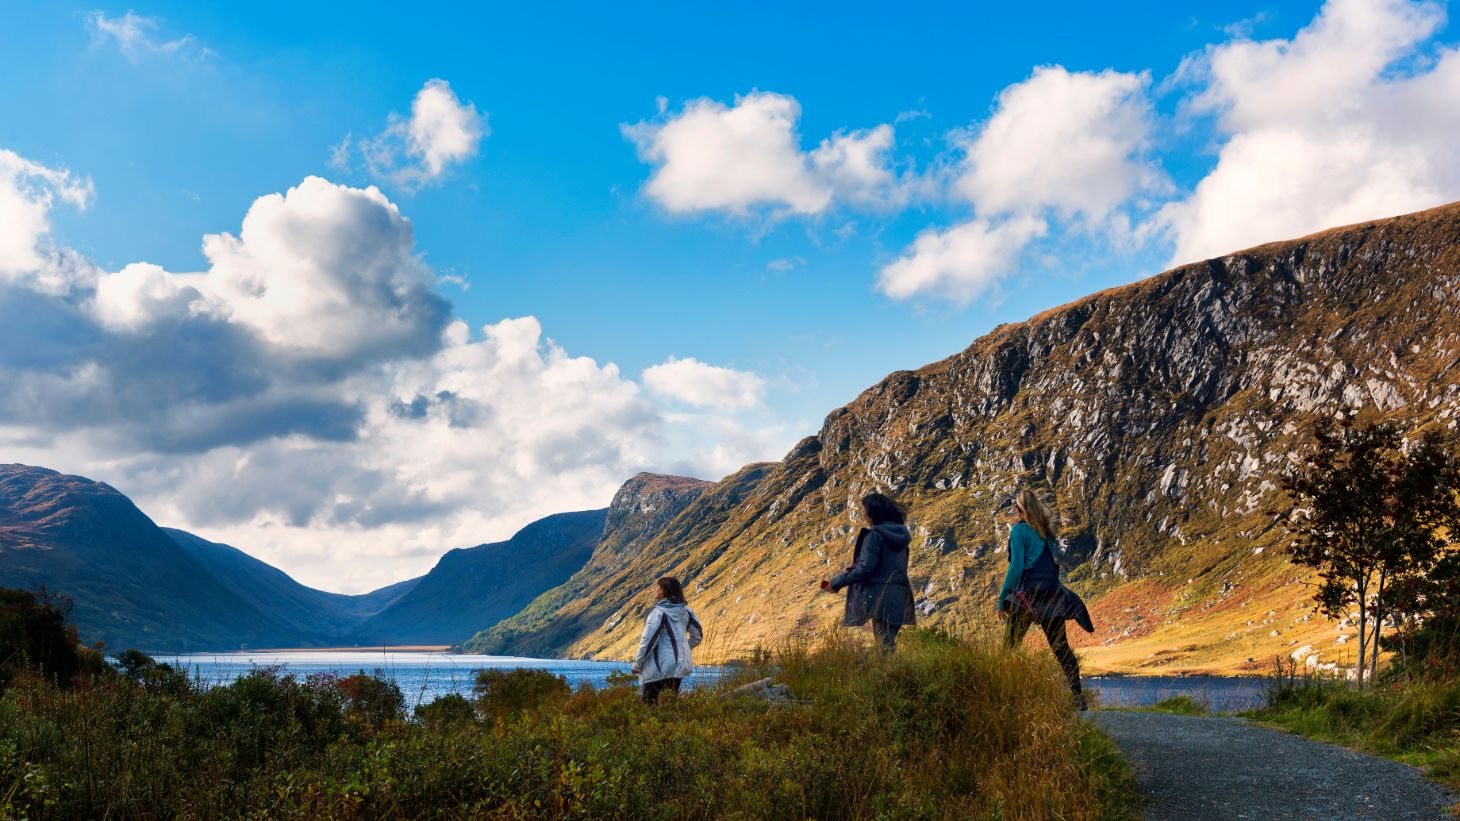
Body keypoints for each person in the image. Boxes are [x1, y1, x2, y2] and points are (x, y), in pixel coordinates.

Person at [998, 489, 1094, 710]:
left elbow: (1016, 567)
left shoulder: (1018, 531)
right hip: (1052, 597)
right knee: (1061, 648)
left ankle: (1006, 697)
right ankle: (1078, 698)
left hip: (1026, 597)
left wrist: (1002, 597)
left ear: (1019, 509)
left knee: (1010, 647)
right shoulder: (1046, 532)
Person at [819, 492, 916, 651]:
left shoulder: (874, 536)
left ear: (872, 512)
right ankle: (896, 673)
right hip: (901, 595)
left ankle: (891, 675)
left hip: (881, 597)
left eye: (864, 510)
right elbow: (888, 565)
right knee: (888, 644)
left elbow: (866, 568)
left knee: (884, 648)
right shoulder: (900, 536)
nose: (863, 514)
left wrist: (836, 583)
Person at [631, 576, 703, 704]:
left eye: (658, 587)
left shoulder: (657, 612)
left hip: (659, 667)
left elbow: (648, 641)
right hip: (679, 665)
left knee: (649, 703)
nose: (655, 589)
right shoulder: (687, 612)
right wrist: (682, 648)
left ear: (665, 591)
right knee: (670, 704)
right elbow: (697, 636)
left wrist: (637, 664)